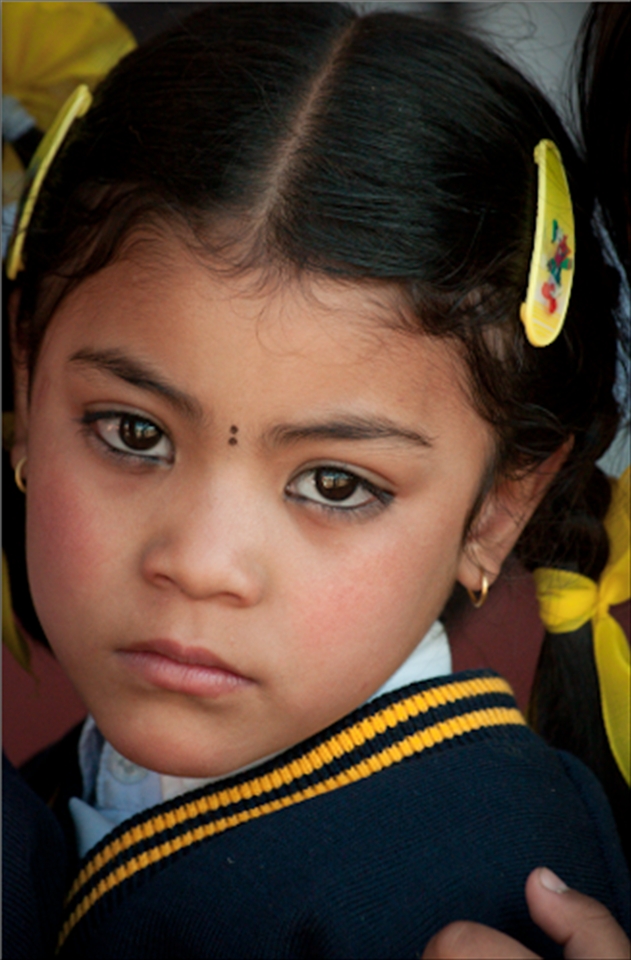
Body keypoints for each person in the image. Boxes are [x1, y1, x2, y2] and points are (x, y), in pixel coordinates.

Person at [3, 4, 629, 958]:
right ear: (24, 386)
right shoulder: (80, 783)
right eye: (132, 432)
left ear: (500, 509)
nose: (203, 563)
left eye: (336, 485)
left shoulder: (463, 901)